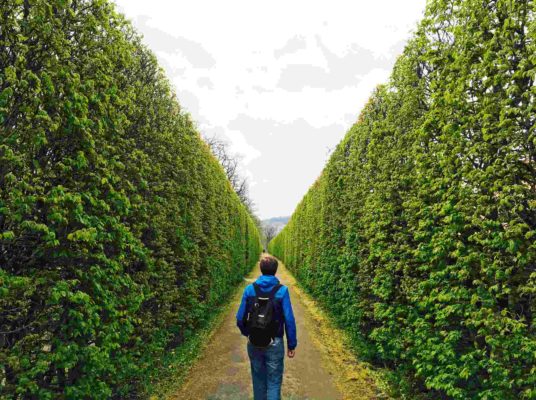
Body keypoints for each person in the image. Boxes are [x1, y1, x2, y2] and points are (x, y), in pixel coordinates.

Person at [236, 256, 297, 400]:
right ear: (275, 271)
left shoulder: (250, 289)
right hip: (274, 342)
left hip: (254, 341)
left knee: (258, 380)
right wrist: (291, 344)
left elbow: (239, 318)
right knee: (274, 382)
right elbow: (289, 319)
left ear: (261, 270)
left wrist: (248, 333)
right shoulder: (282, 291)